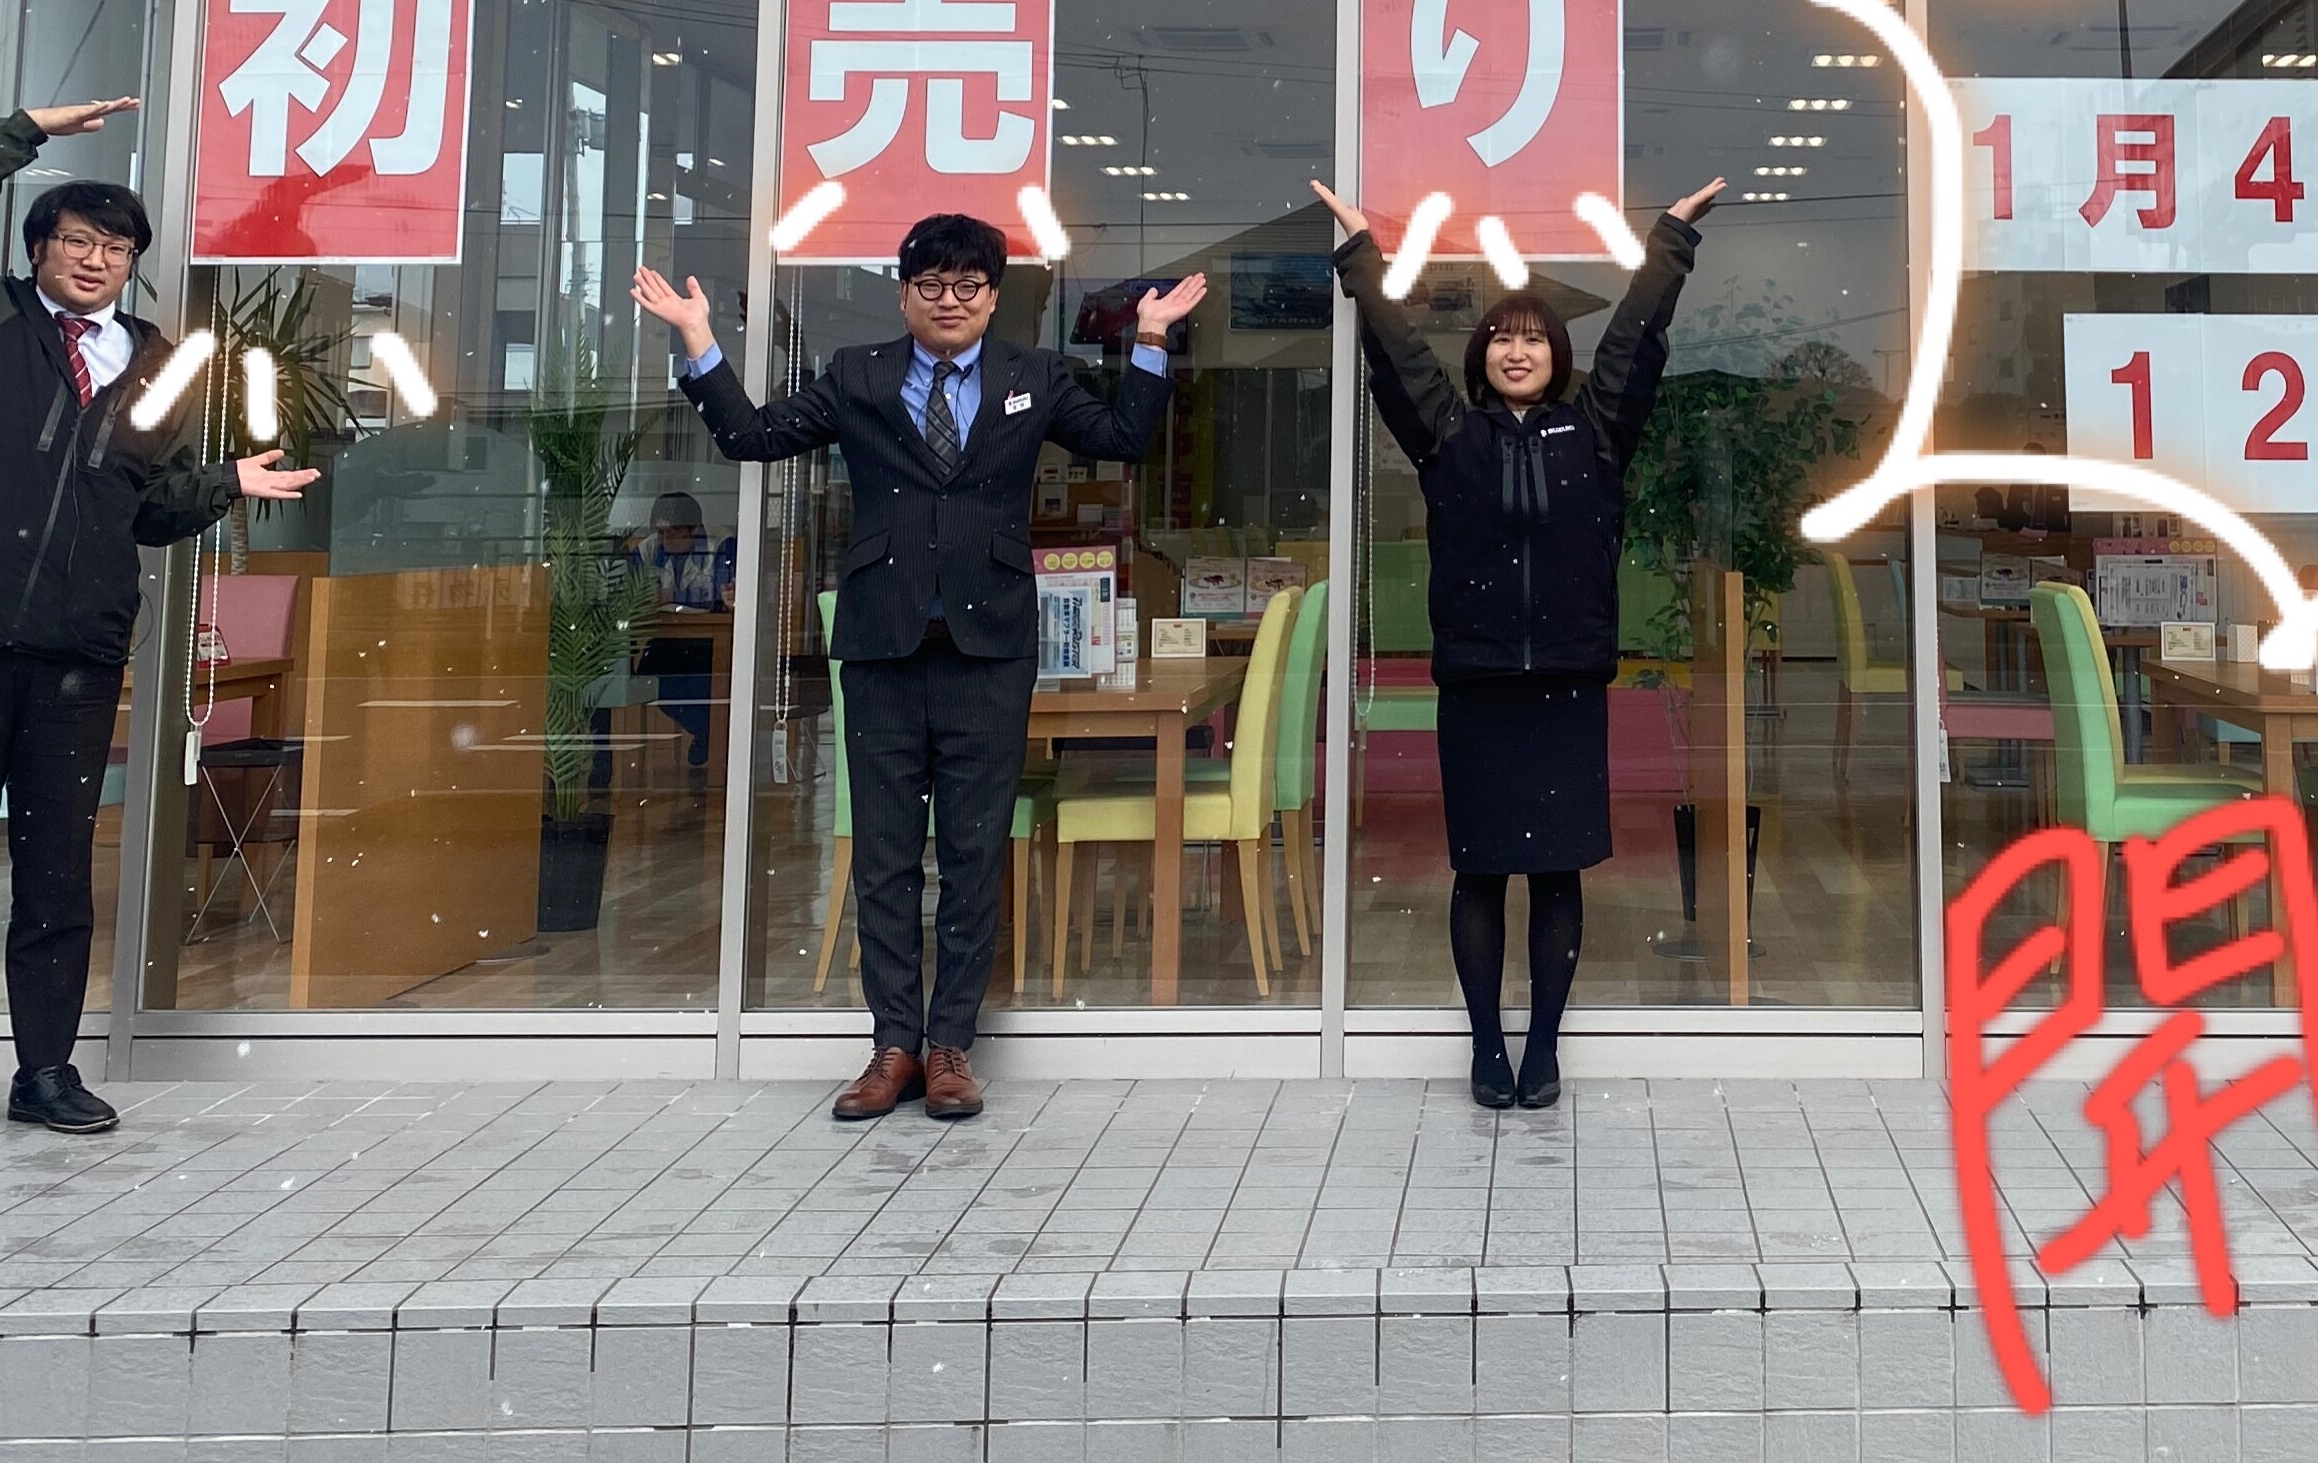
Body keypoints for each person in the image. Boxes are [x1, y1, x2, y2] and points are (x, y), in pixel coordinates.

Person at [634, 218, 1203, 1122]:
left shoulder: (1033, 375)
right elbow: (752, 435)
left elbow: (1125, 435)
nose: (950, 300)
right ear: (903, 295)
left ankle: (950, 1048)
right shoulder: (858, 374)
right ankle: (892, 1044)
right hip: (882, 644)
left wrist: (1152, 340)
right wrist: (698, 339)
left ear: (993, 295)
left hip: (991, 648)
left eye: (968, 285)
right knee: (886, 853)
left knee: (975, 853)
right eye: (931, 285)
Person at [0, 99, 320, 1153]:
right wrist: (21, 130)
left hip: (76, 652)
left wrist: (227, 480)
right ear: (39, 249)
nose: (95, 259)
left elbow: (151, 506)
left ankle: (46, 1067)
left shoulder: (158, 363)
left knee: (57, 867)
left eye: (116, 248)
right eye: (77, 240)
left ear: (131, 264)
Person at [1315, 174, 1721, 1111]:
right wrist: (1360, 257)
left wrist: (1669, 241)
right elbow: (1397, 350)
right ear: (1481, 355)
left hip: (1568, 688)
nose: (1518, 349)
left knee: (1557, 871)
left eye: (1535, 338)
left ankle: (1543, 1047)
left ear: (1557, 356)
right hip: (1480, 687)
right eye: (1502, 337)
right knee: (1482, 869)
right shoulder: (1449, 436)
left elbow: (1634, 343)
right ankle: (1486, 1046)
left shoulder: (1598, 432)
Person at [627, 490, 733, 781]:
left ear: (693, 529)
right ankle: (709, 733)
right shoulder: (648, 548)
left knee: (705, 680)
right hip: (667, 637)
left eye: (673, 533)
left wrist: (674, 596)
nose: (664, 540)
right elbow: (627, 590)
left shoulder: (720, 544)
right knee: (650, 676)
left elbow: (727, 595)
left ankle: (712, 736)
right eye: (660, 533)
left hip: (709, 639)